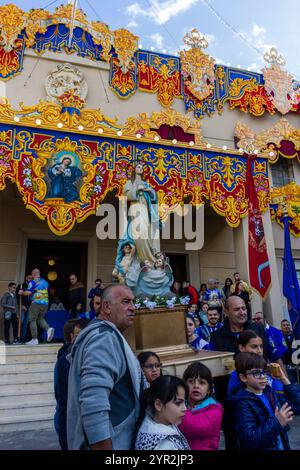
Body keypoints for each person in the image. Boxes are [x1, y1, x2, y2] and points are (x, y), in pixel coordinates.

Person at [67, 285, 142, 450]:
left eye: (133, 302)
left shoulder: (106, 335)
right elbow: (94, 403)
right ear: (107, 307)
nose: (133, 308)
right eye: (126, 302)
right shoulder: (104, 338)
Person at [231, 352, 300, 450]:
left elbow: (298, 406)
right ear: (243, 377)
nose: (262, 376)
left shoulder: (270, 393)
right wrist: (277, 422)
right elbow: (250, 439)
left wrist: (284, 379)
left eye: (264, 372)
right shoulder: (242, 402)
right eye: (256, 373)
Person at [54, 318, 89, 450]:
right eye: (79, 336)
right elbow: (64, 397)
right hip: (69, 420)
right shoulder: (65, 361)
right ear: (71, 337)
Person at [134, 375, 190, 450]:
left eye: (185, 403)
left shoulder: (153, 425)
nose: (185, 408)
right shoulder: (164, 444)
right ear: (158, 405)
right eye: (178, 403)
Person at [227, 330, 285, 401]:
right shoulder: (236, 375)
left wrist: (284, 379)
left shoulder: (269, 368)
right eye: (254, 347)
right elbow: (234, 402)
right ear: (241, 348)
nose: (259, 350)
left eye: (261, 346)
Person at [179, 362, 223, 450]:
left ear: (209, 390)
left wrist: (177, 408)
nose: (196, 386)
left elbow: (193, 427)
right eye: (191, 381)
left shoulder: (214, 409)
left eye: (202, 383)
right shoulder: (184, 404)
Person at [18, 269, 54, 346]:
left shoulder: (33, 282)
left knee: (31, 319)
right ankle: (48, 329)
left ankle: (34, 339)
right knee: (40, 319)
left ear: (34, 274)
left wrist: (22, 292)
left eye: (32, 275)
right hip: (45, 303)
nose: (31, 277)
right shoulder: (45, 282)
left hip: (36, 303)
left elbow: (28, 292)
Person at [16, 274, 33, 343]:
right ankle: (17, 337)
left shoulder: (32, 286)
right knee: (21, 321)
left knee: (26, 323)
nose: (30, 279)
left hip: (30, 307)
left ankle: (22, 339)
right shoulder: (21, 286)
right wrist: (21, 305)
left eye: (31, 278)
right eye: (29, 278)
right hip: (22, 306)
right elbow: (17, 297)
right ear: (26, 278)